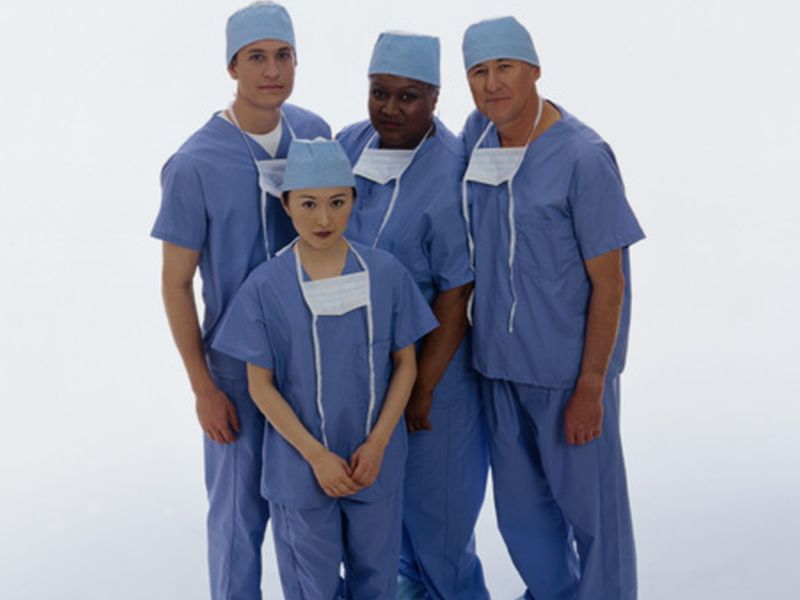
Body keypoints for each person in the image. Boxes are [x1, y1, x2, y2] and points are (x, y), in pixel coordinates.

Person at [460, 16, 645, 600]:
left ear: (535, 70)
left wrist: (591, 386)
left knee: (595, 518)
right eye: (479, 72)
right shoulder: (477, 136)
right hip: (497, 365)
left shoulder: (583, 159)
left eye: (505, 68)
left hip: (567, 373)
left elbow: (610, 284)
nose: (492, 84)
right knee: (522, 517)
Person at [150, 3, 330, 598]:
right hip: (234, 368)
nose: (271, 71)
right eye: (256, 57)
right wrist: (203, 388)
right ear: (232, 66)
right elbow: (176, 283)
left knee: (312, 519)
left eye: (283, 56)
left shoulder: (315, 135)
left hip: (313, 361)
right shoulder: (195, 164)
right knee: (237, 520)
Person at [211, 139, 438, 599]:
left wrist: (377, 444)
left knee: (377, 581)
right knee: (310, 586)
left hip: (373, 461)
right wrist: (316, 456)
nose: (323, 219)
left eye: (337, 202)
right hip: (299, 465)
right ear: (286, 204)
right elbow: (260, 385)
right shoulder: (265, 287)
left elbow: (406, 365)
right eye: (308, 204)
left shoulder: (386, 273)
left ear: (354, 199)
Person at [336, 31, 490, 600]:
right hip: (362, 372)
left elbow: (456, 291)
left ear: (435, 97)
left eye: (408, 96)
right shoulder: (349, 144)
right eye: (380, 92)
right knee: (383, 520)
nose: (390, 108)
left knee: (439, 522)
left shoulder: (450, 170)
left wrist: (421, 388)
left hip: (433, 379)